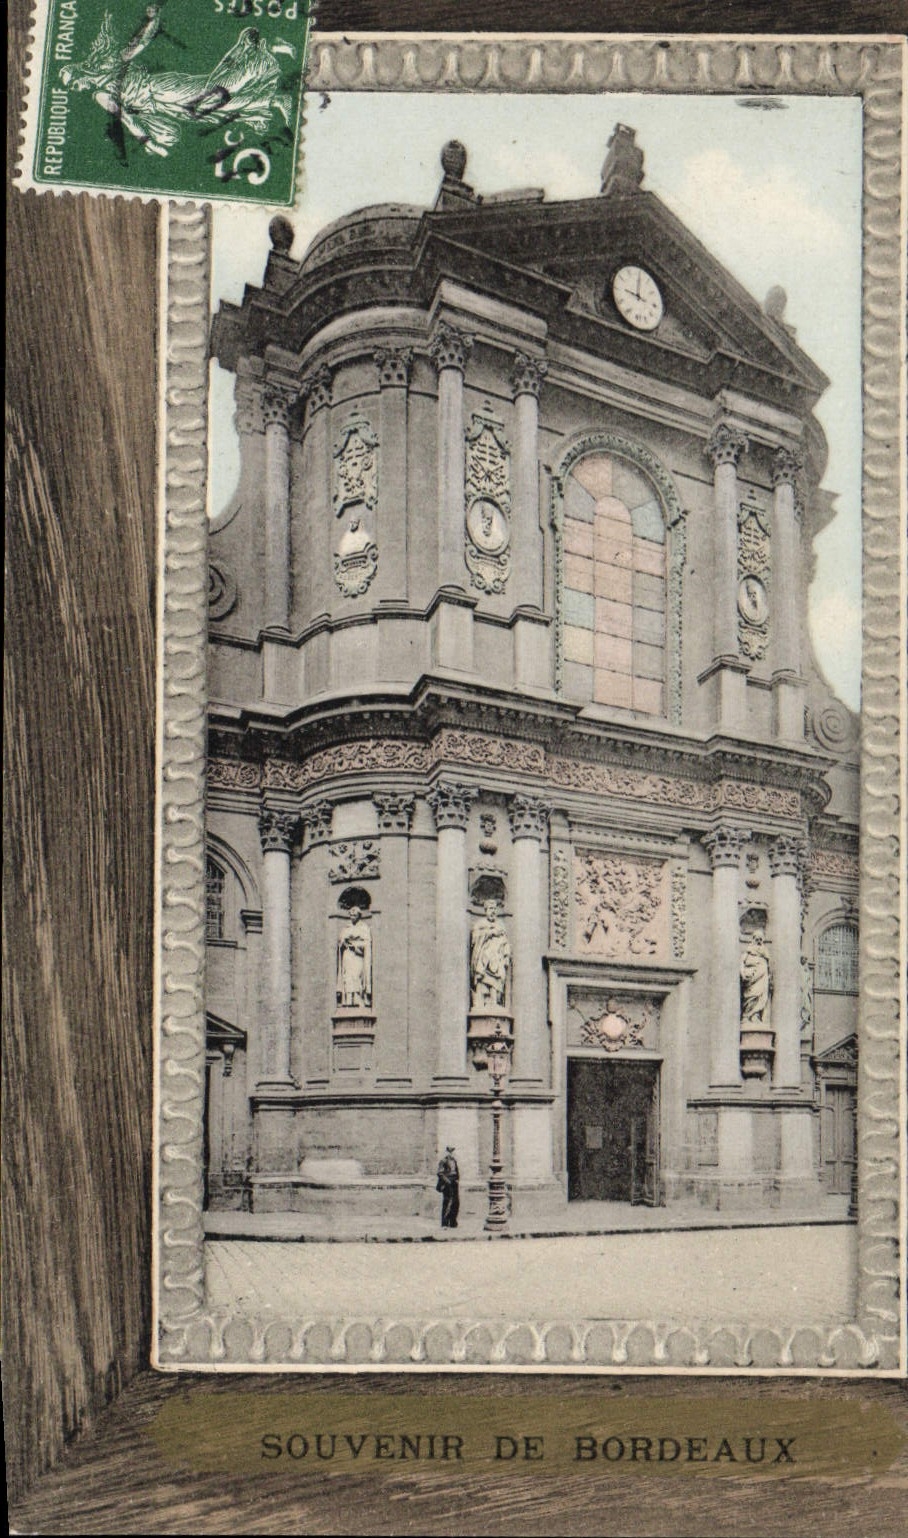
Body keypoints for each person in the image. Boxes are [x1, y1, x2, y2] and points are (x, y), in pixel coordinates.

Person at [60, 10, 294, 158]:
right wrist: (147, 141)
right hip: (159, 107)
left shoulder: (109, 64)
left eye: (73, 84)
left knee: (212, 93)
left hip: (161, 88)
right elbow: (127, 118)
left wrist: (153, 20)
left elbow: (139, 44)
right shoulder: (100, 95)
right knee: (215, 111)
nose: (76, 89)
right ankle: (273, 100)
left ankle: (259, 52)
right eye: (72, 88)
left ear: (79, 73)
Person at [469, 898, 511, 1011]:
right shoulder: (480, 924)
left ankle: (495, 1002)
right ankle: (480, 1004)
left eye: (495, 909)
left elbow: (506, 942)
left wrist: (506, 956)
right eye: (491, 909)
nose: (493, 911)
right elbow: (474, 939)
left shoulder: (501, 925)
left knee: (497, 980)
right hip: (484, 959)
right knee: (483, 979)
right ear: (485, 910)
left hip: (497, 959)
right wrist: (491, 933)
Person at [336, 907, 372, 1010]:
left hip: (358, 956)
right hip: (347, 956)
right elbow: (340, 943)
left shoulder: (364, 928)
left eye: (354, 915)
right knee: (347, 978)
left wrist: (355, 946)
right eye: (351, 915)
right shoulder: (346, 928)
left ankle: (358, 1000)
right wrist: (343, 943)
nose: (352, 917)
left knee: (356, 977)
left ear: (359, 916)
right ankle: (347, 1001)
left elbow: (367, 944)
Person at [740, 929, 772, 1026]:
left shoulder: (765, 952)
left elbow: (769, 967)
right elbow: (741, 962)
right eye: (757, 939)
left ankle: (755, 1016)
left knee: (761, 997)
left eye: (760, 939)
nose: (759, 941)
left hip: (762, 979)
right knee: (751, 996)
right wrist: (743, 973)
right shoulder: (748, 951)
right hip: (751, 979)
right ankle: (747, 1016)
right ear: (753, 939)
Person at [436, 1147, 460, 1229]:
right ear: (446, 1152)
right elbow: (440, 1173)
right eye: (449, 1152)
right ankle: (445, 1223)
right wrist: (448, 1182)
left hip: (454, 1182)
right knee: (447, 1203)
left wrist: (457, 1180)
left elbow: (457, 1172)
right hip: (447, 1183)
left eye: (452, 1152)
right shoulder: (443, 1161)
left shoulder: (454, 1161)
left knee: (455, 1203)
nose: (451, 1153)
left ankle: (453, 1222)